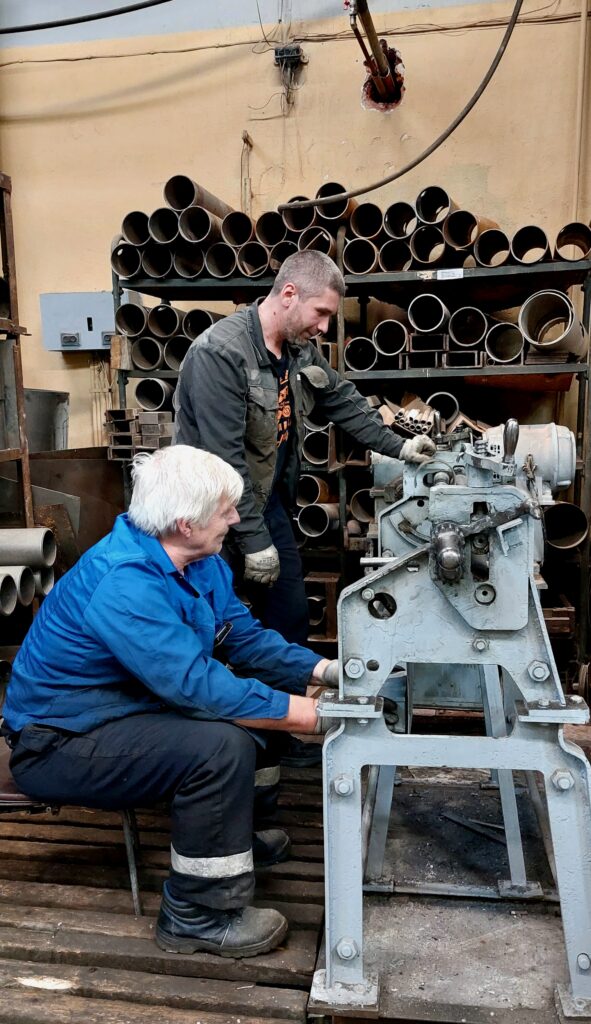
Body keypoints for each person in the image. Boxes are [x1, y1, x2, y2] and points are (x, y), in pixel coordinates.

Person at [0, 445, 338, 959]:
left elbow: (240, 637)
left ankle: (236, 839)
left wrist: (324, 671)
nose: (234, 519)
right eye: (226, 510)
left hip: (121, 711)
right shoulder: (126, 581)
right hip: (60, 742)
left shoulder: (197, 561)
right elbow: (194, 685)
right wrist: (309, 715)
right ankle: (197, 915)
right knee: (219, 745)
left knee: (251, 715)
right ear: (186, 523)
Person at [173, 250, 434, 762]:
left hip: (264, 505)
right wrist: (253, 542)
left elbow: (340, 399)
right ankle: (217, 744)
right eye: (321, 314)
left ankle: (278, 732)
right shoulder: (219, 355)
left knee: (287, 615)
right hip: (208, 518)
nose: (324, 326)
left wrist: (398, 446)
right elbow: (226, 466)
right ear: (288, 295)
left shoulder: (296, 353)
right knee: (215, 625)